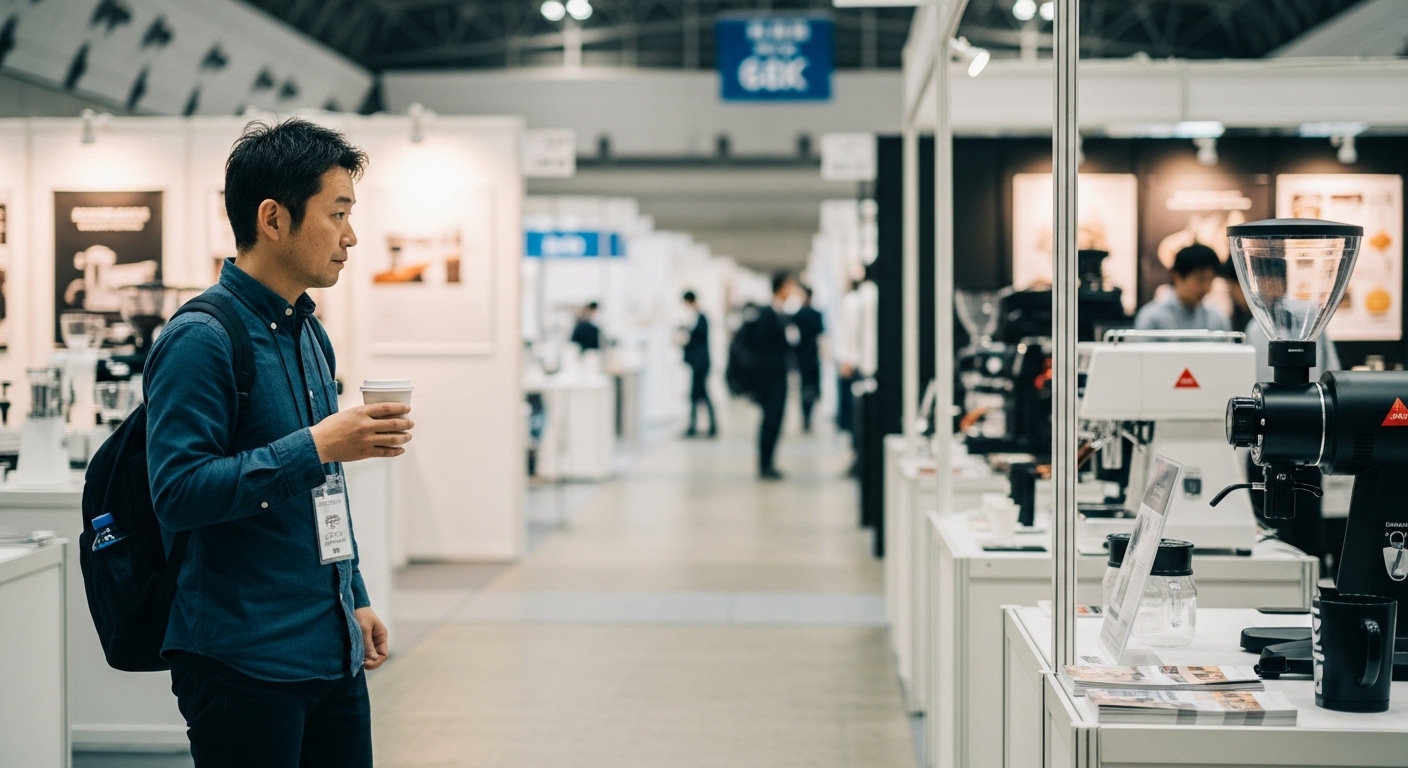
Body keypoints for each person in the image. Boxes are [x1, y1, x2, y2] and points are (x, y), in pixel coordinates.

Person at [145, 118, 414, 767]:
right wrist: (318, 445)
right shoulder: (202, 339)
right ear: (273, 218)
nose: (352, 237)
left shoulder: (306, 332)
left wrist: (354, 595)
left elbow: (323, 490)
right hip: (244, 662)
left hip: (330, 653)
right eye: (338, 213)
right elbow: (179, 494)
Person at [754, 271, 796, 480]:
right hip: (770, 380)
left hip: (779, 377)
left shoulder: (781, 313)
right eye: (789, 286)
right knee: (770, 421)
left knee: (776, 420)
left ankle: (769, 462)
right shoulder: (768, 315)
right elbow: (763, 350)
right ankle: (765, 464)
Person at [1133, 244, 1231, 331]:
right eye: (1201, 279)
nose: (1206, 287)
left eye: (1211, 280)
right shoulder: (1152, 318)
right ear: (1177, 277)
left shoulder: (1216, 319)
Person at [681, 290, 716, 437]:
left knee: (700, 394)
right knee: (698, 394)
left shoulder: (701, 318)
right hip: (697, 363)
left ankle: (700, 426)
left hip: (701, 363)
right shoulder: (694, 318)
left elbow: (699, 339)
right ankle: (699, 425)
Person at [792, 284, 824, 432]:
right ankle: (807, 415)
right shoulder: (815, 314)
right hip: (811, 354)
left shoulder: (799, 314)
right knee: (810, 385)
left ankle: (806, 415)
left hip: (803, 354)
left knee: (805, 385)